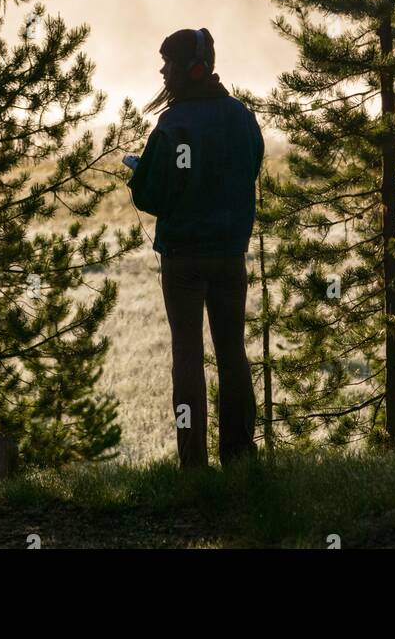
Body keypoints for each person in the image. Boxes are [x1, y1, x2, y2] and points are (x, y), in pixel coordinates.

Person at [126, 28, 264, 469]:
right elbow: (249, 168)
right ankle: (239, 456)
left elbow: (152, 196)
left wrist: (138, 173)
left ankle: (193, 465)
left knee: (187, 359)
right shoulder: (242, 117)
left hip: (184, 259)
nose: (162, 71)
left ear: (192, 68)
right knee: (233, 355)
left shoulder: (172, 124)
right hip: (230, 255)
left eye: (168, 62)